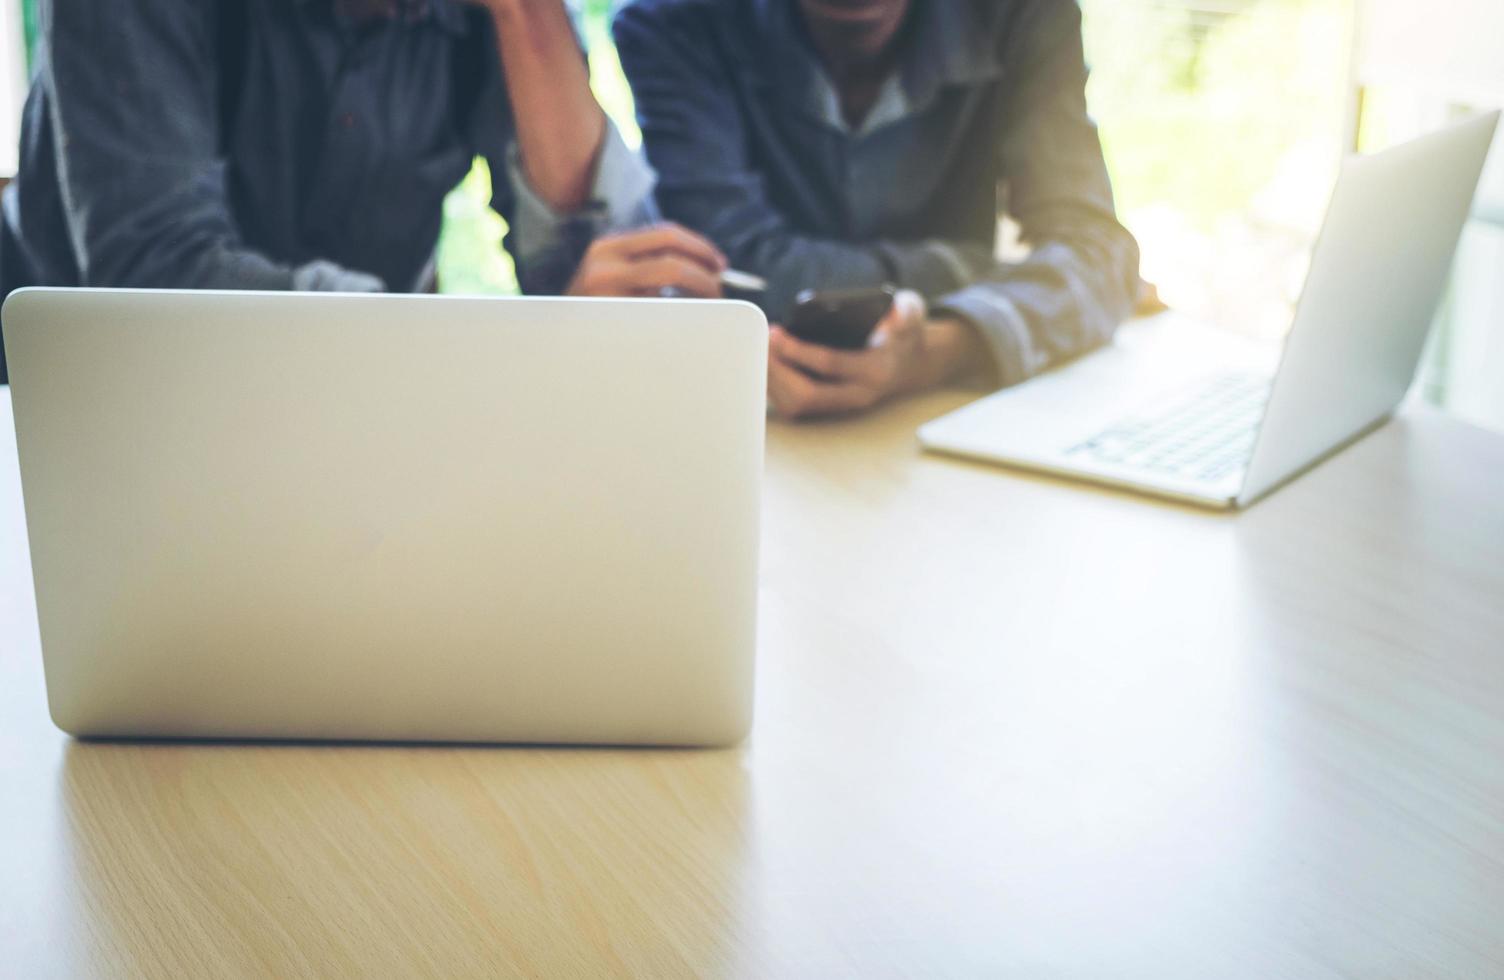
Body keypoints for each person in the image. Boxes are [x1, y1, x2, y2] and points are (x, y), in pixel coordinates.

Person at [0, 0, 727, 384]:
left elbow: (608, 277)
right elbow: (160, 284)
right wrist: (495, 356)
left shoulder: (482, 16)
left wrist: (526, 12)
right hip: (78, 433)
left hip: (355, 423)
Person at [615, 0, 1142, 418]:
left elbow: (1097, 254)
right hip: (757, 434)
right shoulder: (673, 22)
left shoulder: (1023, 11)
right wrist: (986, 273)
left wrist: (940, 351)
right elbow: (727, 276)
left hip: (948, 434)